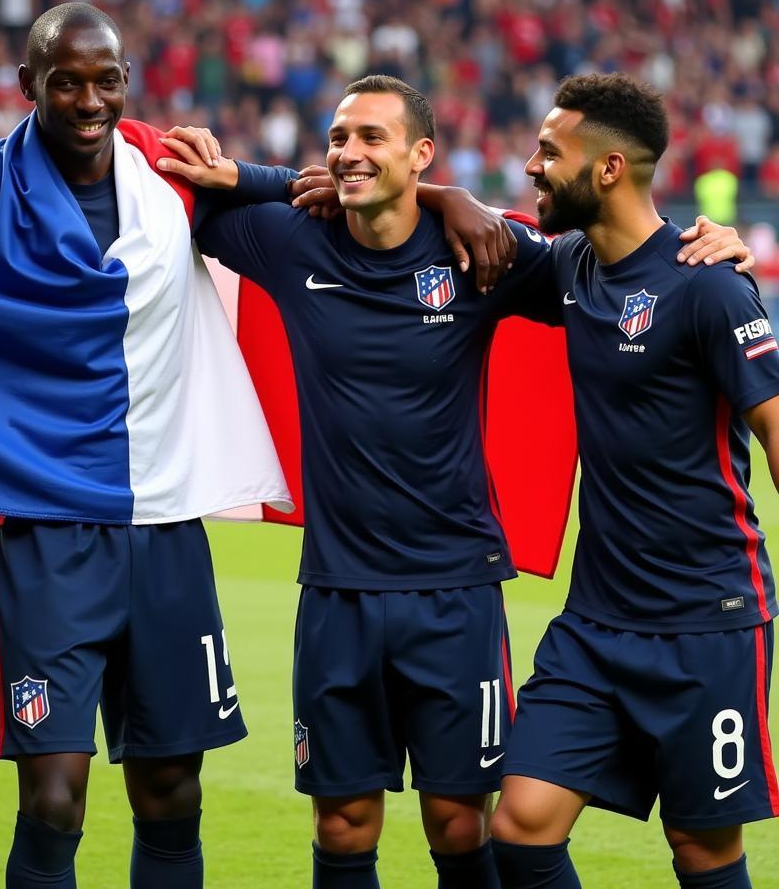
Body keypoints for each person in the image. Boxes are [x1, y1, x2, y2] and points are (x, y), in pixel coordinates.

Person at [0, 8, 512, 889]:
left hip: (166, 526)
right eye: (66, 81)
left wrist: (442, 196)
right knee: (52, 801)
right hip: (46, 530)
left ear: (126, 83)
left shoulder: (167, 169)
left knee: (170, 788)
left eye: (105, 79)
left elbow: (315, 192)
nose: (88, 99)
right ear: (28, 85)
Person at [155, 73, 758, 889]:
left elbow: (636, 274)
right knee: (426, 825)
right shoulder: (312, 243)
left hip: (565, 604)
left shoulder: (576, 266)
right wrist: (429, 194)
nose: (348, 151)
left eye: (372, 138)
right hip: (428, 600)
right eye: (340, 139)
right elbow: (216, 200)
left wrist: (721, 252)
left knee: (530, 828)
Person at [487, 73, 779, 889]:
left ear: (609, 168)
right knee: (521, 828)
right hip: (598, 624)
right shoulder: (571, 268)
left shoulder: (709, 284)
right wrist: (450, 200)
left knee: (702, 850)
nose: (532, 166)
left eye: (550, 151)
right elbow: (466, 233)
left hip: (709, 625)